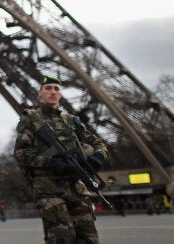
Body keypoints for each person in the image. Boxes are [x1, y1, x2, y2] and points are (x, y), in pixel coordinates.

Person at [14, 75, 108, 244]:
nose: (53, 92)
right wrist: (49, 162)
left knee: (89, 239)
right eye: (48, 88)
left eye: (56, 89)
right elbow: (21, 154)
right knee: (62, 239)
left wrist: (98, 156)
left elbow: (97, 143)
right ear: (40, 93)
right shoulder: (31, 119)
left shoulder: (72, 121)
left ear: (61, 94)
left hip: (77, 188)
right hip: (50, 190)